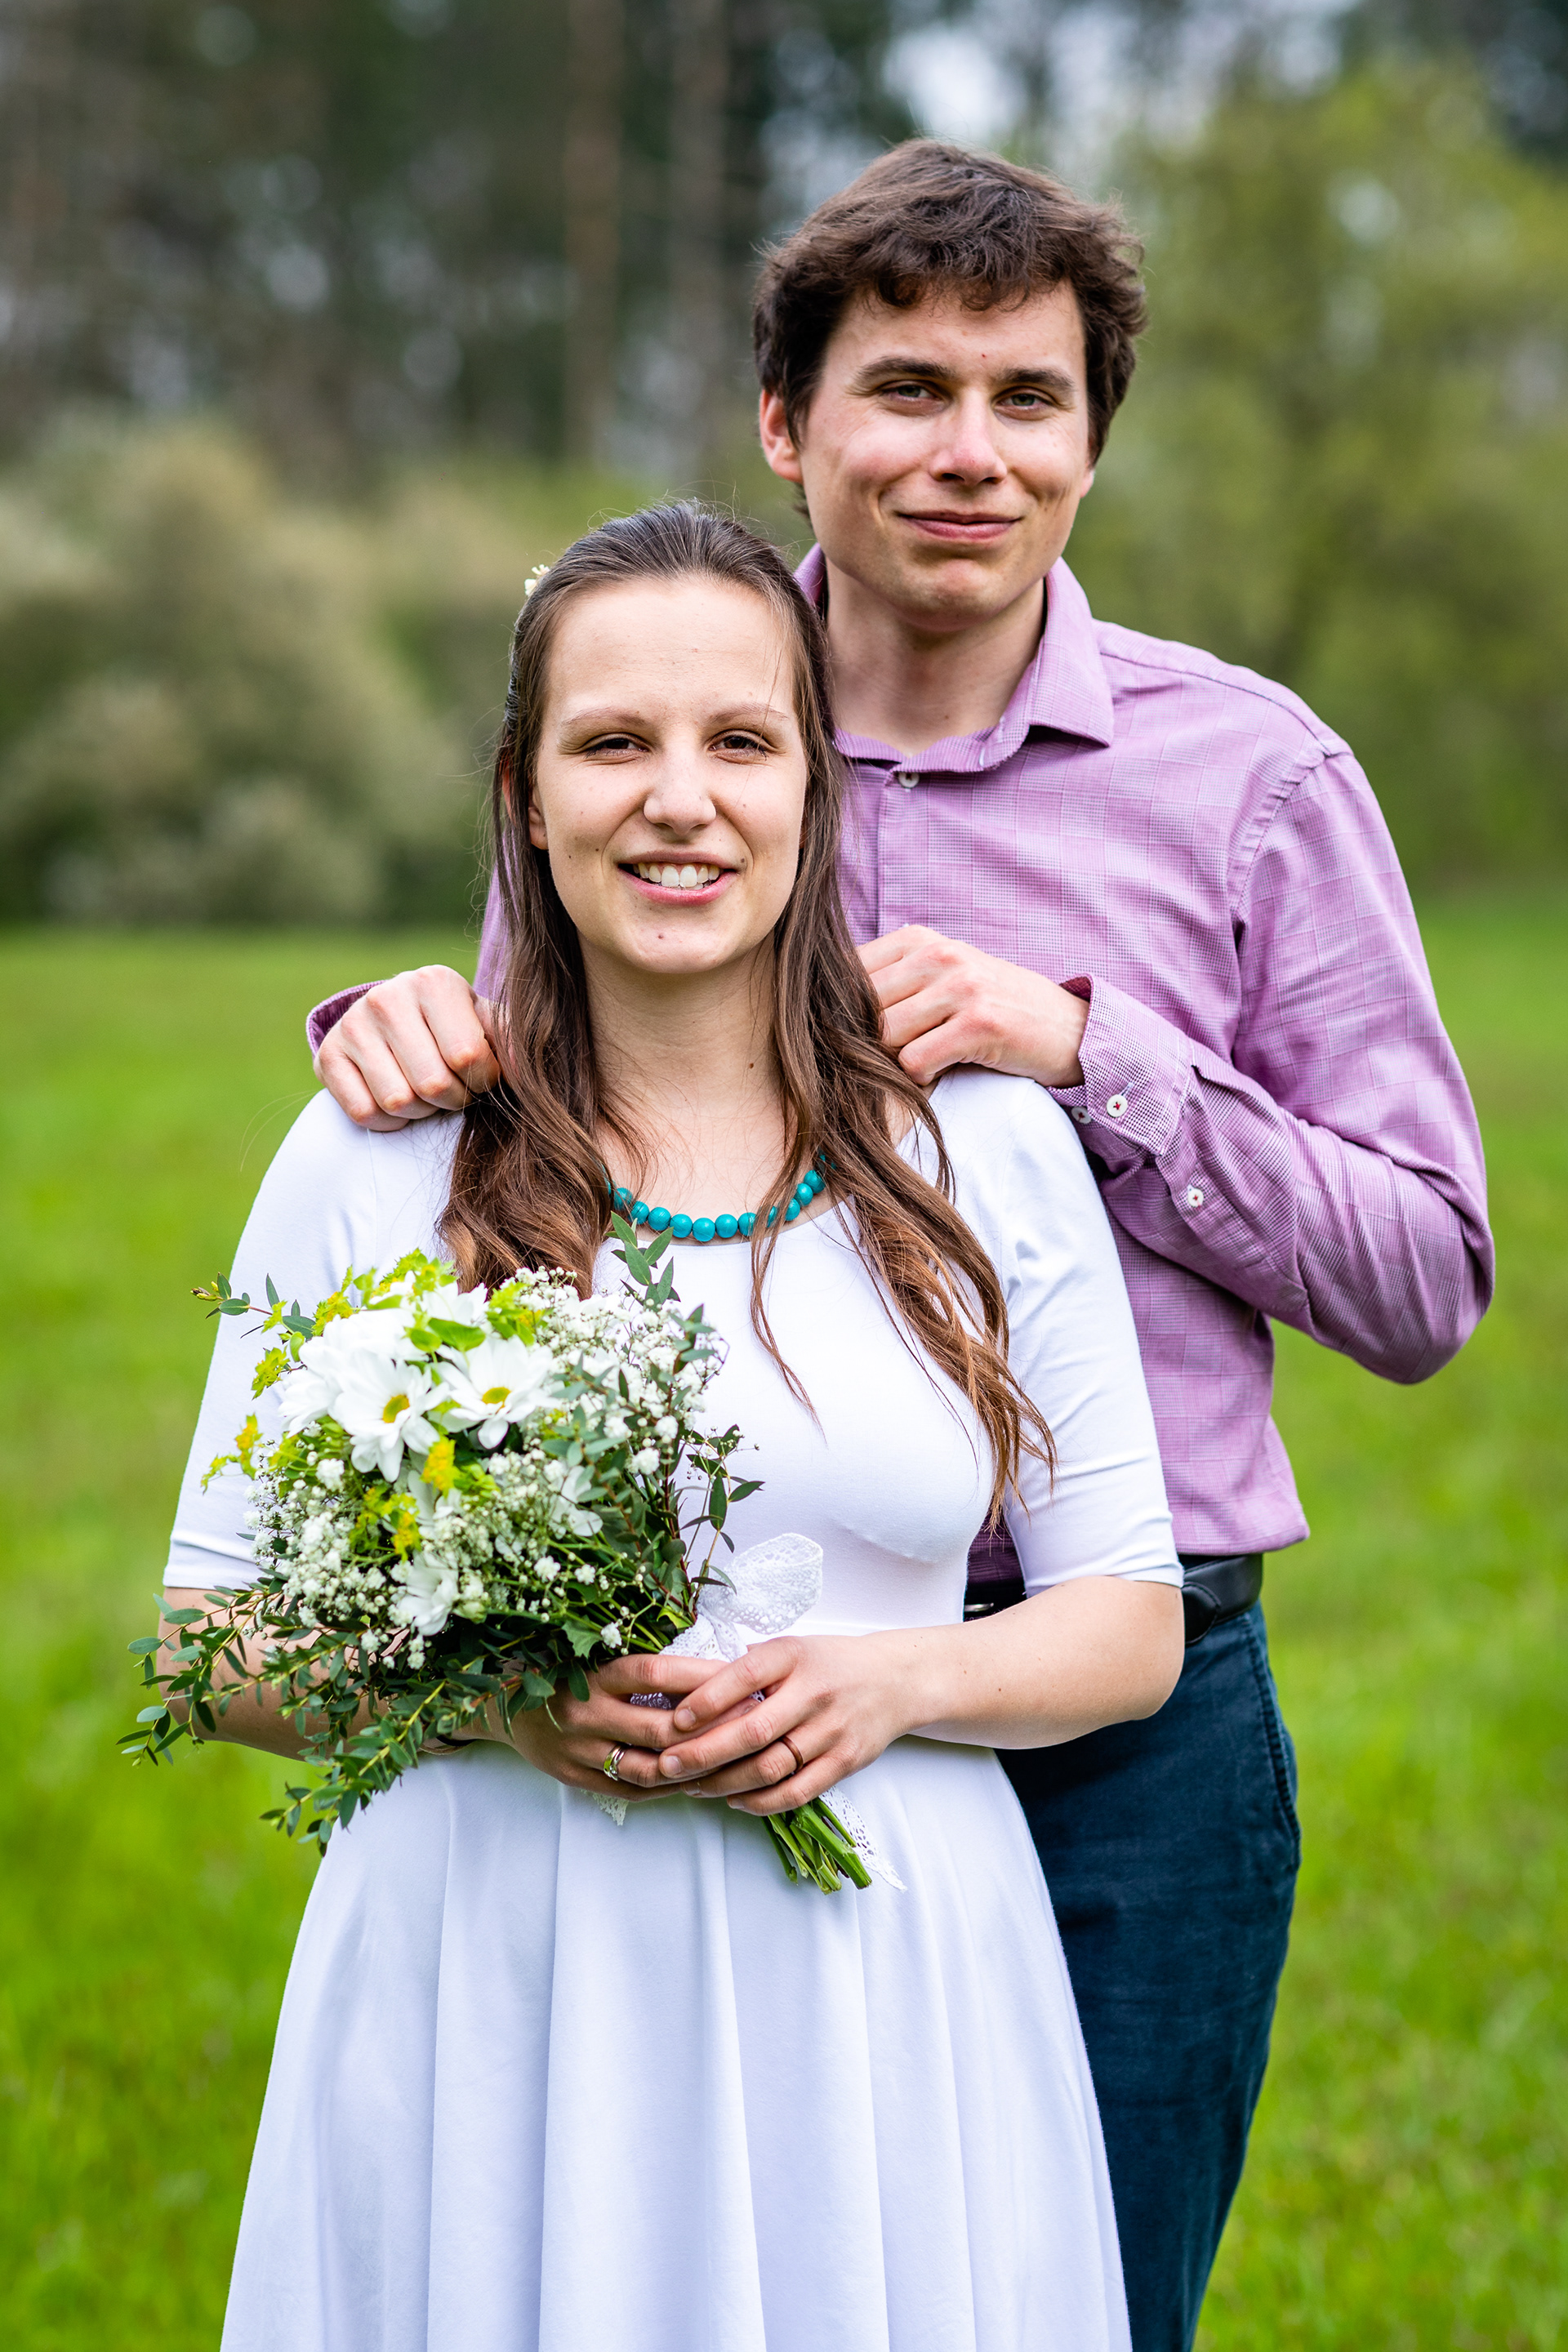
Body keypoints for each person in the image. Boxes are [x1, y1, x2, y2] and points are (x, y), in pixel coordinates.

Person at [305, 145, 1493, 2350]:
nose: (972, 453)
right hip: (720, 1698)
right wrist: (390, 1037)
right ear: (787, 421)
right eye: (909, 389)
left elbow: (1425, 1279)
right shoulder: (665, 731)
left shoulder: (1254, 781)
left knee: (1075, 2306)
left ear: (1094, 438)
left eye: (1030, 399)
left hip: (1126, 1723)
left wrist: (1095, 1057)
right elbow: (524, 1126)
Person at [165, 505, 1187, 2352]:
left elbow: (1129, 1620)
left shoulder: (984, 1146)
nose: (679, 801)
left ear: (815, 789)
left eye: (739, 742)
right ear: (525, 795)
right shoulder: (380, 1155)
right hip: (499, 1962)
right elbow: (207, 1638)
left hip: (883, 1971)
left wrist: (895, 1685)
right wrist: (493, 1703)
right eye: (613, 742)